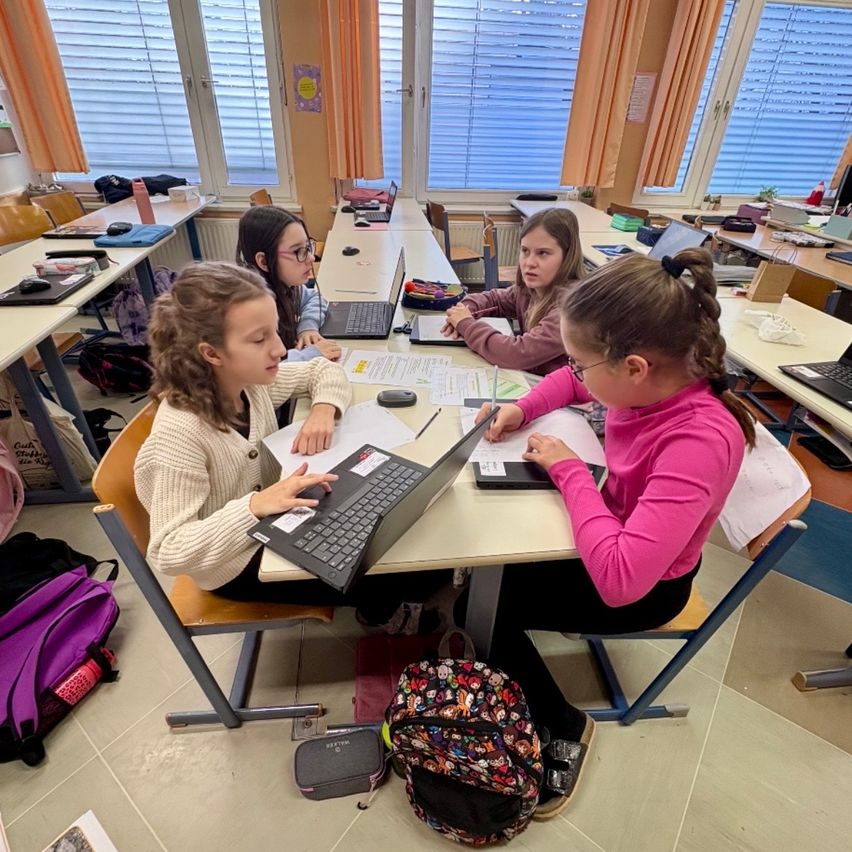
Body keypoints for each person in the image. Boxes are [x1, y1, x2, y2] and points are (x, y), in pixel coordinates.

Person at [462, 248, 755, 818]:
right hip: (614, 535)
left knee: (480, 609)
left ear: (635, 367)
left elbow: (622, 580)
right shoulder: (648, 383)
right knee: (481, 573)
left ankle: (566, 723)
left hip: (644, 584)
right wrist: (523, 409)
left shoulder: (697, 440)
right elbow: (573, 383)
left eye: (582, 361)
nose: (574, 372)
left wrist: (569, 470)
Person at [136, 262, 444, 629]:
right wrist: (254, 506)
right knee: (413, 574)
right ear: (212, 354)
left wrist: (324, 409)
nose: (280, 349)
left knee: (399, 533)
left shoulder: (248, 382)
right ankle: (384, 614)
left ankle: (380, 600)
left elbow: (321, 370)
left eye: (275, 333)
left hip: (276, 518)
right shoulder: (179, 434)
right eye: (259, 339)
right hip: (235, 563)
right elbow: (169, 550)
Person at [440, 208, 584, 375]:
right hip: (534, 378)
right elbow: (495, 299)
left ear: (568, 256)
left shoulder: (569, 309)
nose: (529, 263)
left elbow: (516, 354)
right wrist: (464, 309)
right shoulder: (530, 289)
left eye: (543, 253)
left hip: (561, 394)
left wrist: (466, 324)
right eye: (525, 251)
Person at [236, 206, 341, 363]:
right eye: (298, 251)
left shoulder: (285, 285)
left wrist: (307, 327)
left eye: (307, 247)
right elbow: (258, 368)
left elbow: (313, 297)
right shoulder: (250, 308)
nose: (311, 258)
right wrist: (311, 355)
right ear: (264, 261)